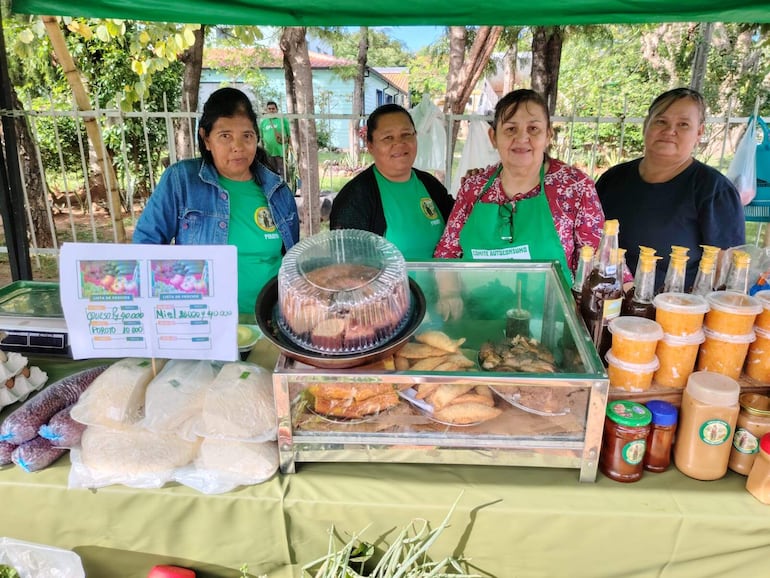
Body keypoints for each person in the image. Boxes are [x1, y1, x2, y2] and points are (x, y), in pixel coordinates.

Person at [433, 89, 605, 318]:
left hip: (550, 322)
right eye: (511, 129)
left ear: (548, 135)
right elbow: (447, 252)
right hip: (476, 319)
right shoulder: (474, 188)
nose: (522, 138)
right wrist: (449, 295)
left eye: (533, 129)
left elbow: (595, 262)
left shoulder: (575, 187)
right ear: (493, 137)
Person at [133, 87, 299, 319]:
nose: (237, 146)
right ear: (206, 138)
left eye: (247, 136)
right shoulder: (182, 181)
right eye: (225, 136)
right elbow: (145, 246)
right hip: (203, 322)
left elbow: (290, 260)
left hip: (270, 321)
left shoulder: (277, 190)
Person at [596, 88, 745, 290]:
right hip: (605, 302)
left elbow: (725, 271)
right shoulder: (612, 179)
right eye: (661, 121)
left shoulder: (714, 190)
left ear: (699, 132)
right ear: (646, 125)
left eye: (683, 124)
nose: (669, 131)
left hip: (674, 311)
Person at [329, 103, 455, 260]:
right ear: (370, 146)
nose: (399, 143)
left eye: (406, 134)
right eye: (388, 137)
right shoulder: (355, 198)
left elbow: (462, 227)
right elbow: (347, 266)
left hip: (440, 284)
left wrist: (476, 190)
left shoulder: (431, 185)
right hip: (386, 285)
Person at [259, 100, 291, 179]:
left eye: (273, 109)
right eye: (269, 109)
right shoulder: (263, 122)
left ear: (277, 109)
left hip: (281, 152)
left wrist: (290, 148)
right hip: (269, 152)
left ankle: (286, 189)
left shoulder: (282, 120)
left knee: (284, 174)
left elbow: (290, 135)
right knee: (272, 173)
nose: (271, 110)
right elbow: (261, 138)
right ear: (267, 110)